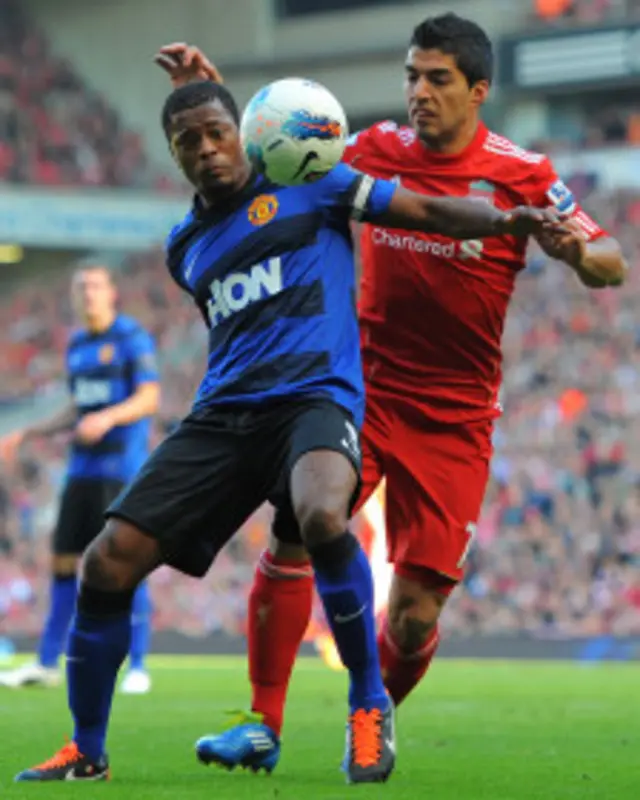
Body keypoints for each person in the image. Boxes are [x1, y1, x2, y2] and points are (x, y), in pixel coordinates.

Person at [13, 77, 557, 785]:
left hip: (314, 401)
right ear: (174, 156)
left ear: (242, 132)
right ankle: (86, 751)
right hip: (224, 417)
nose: (207, 150)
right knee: (105, 563)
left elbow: (423, 209)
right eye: (189, 142)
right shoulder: (186, 247)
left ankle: (368, 708)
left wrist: (506, 221)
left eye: (216, 133)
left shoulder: (316, 185)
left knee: (323, 512)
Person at [153, 11, 627, 775]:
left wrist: (578, 253)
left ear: (478, 90)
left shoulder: (522, 172)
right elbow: (268, 154)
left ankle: (370, 716)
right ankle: (260, 721)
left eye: (437, 79)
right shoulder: (371, 149)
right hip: (359, 387)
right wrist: (212, 94)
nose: (418, 92)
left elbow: (611, 262)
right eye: (412, 76)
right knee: (302, 528)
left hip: (457, 416)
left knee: (411, 619)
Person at [0, 265, 159, 696]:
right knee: (64, 566)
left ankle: (139, 664)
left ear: (111, 293)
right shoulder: (78, 345)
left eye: (94, 286)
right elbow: (77, 406)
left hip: (120, 470)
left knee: (127, 565)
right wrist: (32, 430)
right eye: (80, 287)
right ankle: (47, 662)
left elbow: (148, 397)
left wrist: (107, 417)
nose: (86, 293)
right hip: (81, 472)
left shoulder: (130, 338)